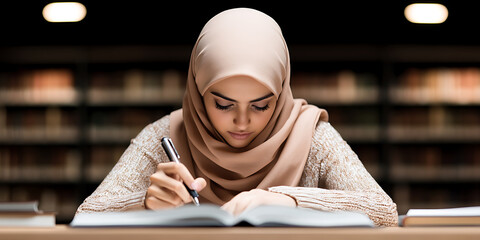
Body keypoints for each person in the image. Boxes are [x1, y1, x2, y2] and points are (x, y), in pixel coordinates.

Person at [76, 7, 398, 226]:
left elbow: (383, 210)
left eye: (261, 106)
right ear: (199, 94)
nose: (242, 123)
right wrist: (144, 203)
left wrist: (287, 200)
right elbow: (86, 214)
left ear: (282, 91)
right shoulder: (167, 133)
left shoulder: (311, 134)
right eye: (223, 105)